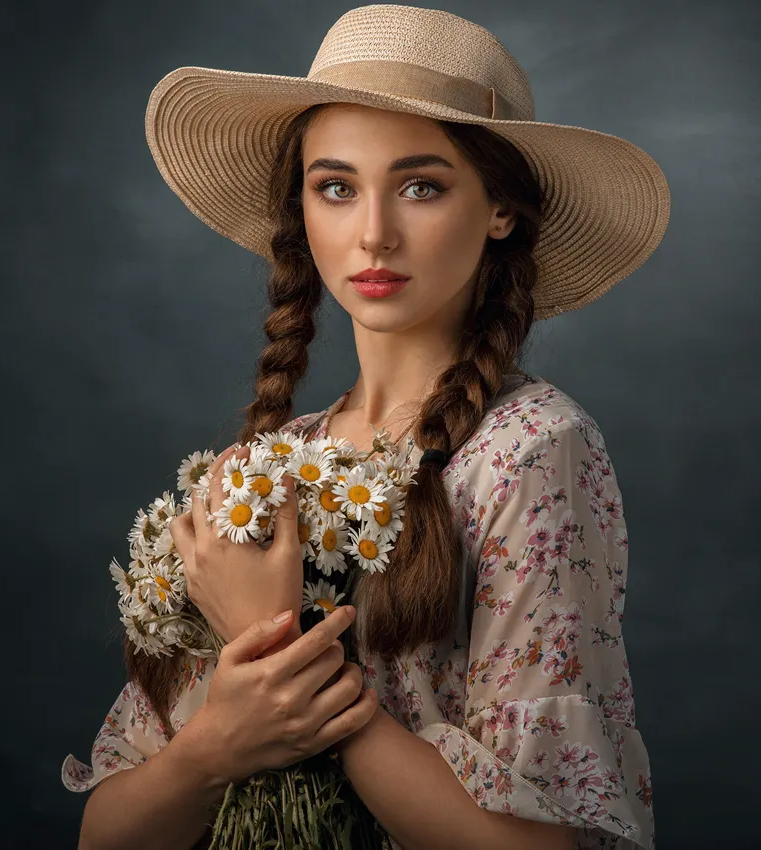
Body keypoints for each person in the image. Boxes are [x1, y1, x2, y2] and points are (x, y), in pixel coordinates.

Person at [61, 5, 670, 849]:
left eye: (421, 186)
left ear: (499, 210)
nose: (374, 233)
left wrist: (282, 655)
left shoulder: (528, 449)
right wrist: (212, 751)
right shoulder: (268, 468)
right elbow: (105, 835)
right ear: (301, 211)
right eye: (336, 187)